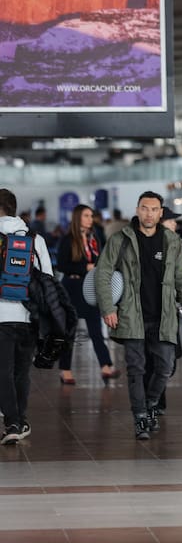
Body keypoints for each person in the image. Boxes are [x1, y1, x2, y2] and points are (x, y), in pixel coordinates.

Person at [95, 191, 182, 440]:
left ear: (160, 213)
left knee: (165, 367)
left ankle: (151, 404)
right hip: (131, 315)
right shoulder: (121, 239)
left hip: (163, 316)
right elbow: (103, 273)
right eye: (144, 208)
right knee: (136, 369)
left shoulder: (172, 241)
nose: (149, 213)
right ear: (137, 210)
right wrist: (108, 308)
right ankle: (140, 416)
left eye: (154, 209)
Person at [0, 188, 53, 444]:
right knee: (22, 371)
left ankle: (12, 421)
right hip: (28, 315)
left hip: (1, 316)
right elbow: (48, 279)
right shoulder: (35, 239)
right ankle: (20, 421)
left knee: (3, 371)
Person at [55, 204, 121, 385]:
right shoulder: (68, 239)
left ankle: (106, 366)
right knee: (70, 330)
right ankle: (65, 370)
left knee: (95, 329)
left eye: (91, 216)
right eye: (86, 215)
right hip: (71, 287)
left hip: (90, 287)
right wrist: (85, 267)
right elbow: (62, 265)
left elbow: (100, 259)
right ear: (78, 218)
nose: (90, 219)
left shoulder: (94, 237)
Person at [143, 206, 182, 414]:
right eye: (171, 220)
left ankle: (154, 401)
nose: (174, 224)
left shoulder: (177, 245)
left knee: (168, 362)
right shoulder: (147, 246)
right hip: (150, 311)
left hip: (170, 311)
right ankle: (153, 403)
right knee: (153, 360)